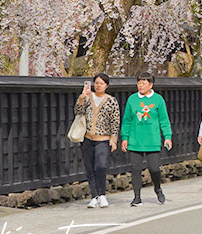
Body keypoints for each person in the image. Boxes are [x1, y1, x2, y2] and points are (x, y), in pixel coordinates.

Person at [121, 71, 173, 206]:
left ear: (151, 84)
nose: (140, 85)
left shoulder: (158, 99)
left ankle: (158, 188)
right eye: (139, 82)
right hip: (135, 140)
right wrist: (124, 137)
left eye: (144, 83)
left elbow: (164, 120)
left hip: (152, 140)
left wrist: (167, 137)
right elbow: (127, 120)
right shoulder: (132, 99)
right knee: (135, 169)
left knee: (154, 168)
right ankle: (137, 197)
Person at [74, 73, 119, 208]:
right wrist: (82, 96)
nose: (98, 85)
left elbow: (115, 121)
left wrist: (114, 138)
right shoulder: (87, 98)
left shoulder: (111, 100)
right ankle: (94, 196)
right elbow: (77, 111)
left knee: (101, 166)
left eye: (101, 83)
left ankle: (102, 194)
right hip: (87, 138)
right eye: (97, 83)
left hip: (103, 139)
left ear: (106, 86)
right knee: (90, 168)